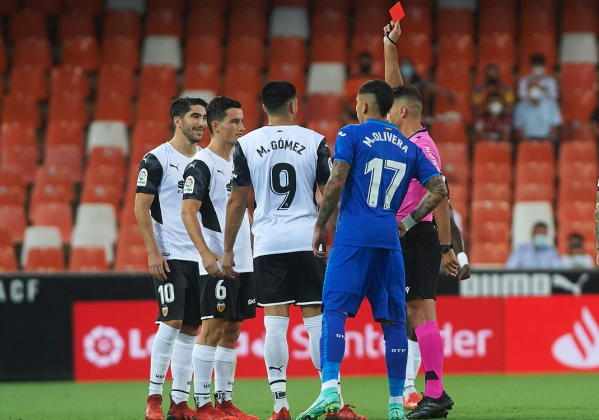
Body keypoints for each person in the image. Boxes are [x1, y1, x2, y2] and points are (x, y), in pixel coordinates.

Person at [296, 79, 449, 420]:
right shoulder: (409, 147)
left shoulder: (351, 134)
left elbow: (336, 181)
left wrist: (321, 226)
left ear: (364, 106)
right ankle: (396, 404)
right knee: (394, 322)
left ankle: (329, 389)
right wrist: (409, 222)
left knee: (334, 311)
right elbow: (439, 188)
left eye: (356, 102)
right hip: (389, 240)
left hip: (352, 237)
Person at [222, 81, 367, 420]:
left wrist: (228, 251)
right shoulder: (314, 140)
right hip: (306, 238)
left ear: (263, 109)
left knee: (274, 324)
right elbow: (329, 189)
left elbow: (237, 200)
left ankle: (279, 407)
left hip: (268, 242)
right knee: (317, 320)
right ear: (294, 105)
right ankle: (333, 401)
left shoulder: (245, 144)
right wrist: (328, 230)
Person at [383, 20, 459, 419]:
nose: (385, 111)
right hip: (413, 238)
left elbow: (439, 194)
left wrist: (439, 243)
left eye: (391, 109)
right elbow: (396, 88)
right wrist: (389, 45)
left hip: (415, 237)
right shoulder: (406, 138)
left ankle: (435, 393)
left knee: (420, 313)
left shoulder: (422, 146)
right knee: (417, 314)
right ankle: (432, 393)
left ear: (403, 112)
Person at [180, 96, 258, 420]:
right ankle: (202, 405)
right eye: (234, 121)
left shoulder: (239, 163)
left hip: (243, 259)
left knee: (233, 329)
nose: (242, 127)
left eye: (242, 121)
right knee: (212, 329)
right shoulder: (201, 164)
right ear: (215, 126)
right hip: (215, 262)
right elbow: (187, 213)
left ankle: (224, 401)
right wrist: (205, 254)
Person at [136, 97, 207, 420]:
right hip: (170, 254)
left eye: (205, 117)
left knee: (192, 327)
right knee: (172, 320)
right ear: (177, 121)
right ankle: (153, 399)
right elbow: (141, 206)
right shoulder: (156, 159)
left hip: (200, 257)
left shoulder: (206, 160)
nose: (202, 123)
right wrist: (152, 250)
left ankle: (179, 402)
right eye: (194, 116)